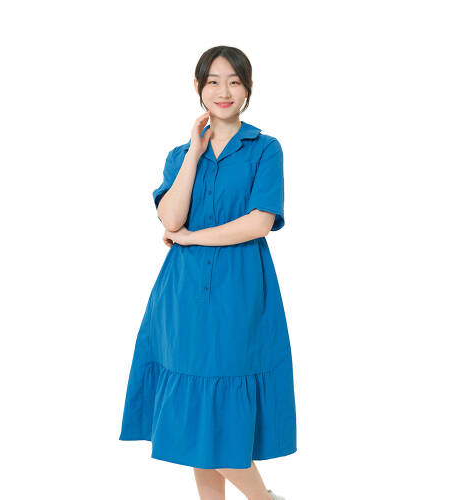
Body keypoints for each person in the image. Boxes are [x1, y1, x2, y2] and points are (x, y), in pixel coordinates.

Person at [119, 45, 296, 500]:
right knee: (195, 417)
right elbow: (170, 218)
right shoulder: (180, 154)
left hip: (240, 292)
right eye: (213, 81)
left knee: (216, 417)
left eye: (234, 81)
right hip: (181, 298)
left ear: (248, 89)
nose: (224, 91)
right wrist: (194, 154)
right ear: (198, 87)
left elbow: (259, 222)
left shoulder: (265, 149)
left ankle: (264, 499)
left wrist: (192, 238)